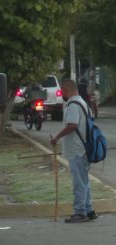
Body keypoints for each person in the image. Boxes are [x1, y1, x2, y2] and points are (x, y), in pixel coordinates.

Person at [50, 79, 97, 223]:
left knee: (79, 182)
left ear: (66, 90)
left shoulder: (72, 105)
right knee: (84, 181)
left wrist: (56, 137)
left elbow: (72, 125)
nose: (62, 94)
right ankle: (89, 210)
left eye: (62, 91)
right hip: (84, 148)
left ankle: (80, 212)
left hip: (77, 149)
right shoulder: (83, 103)